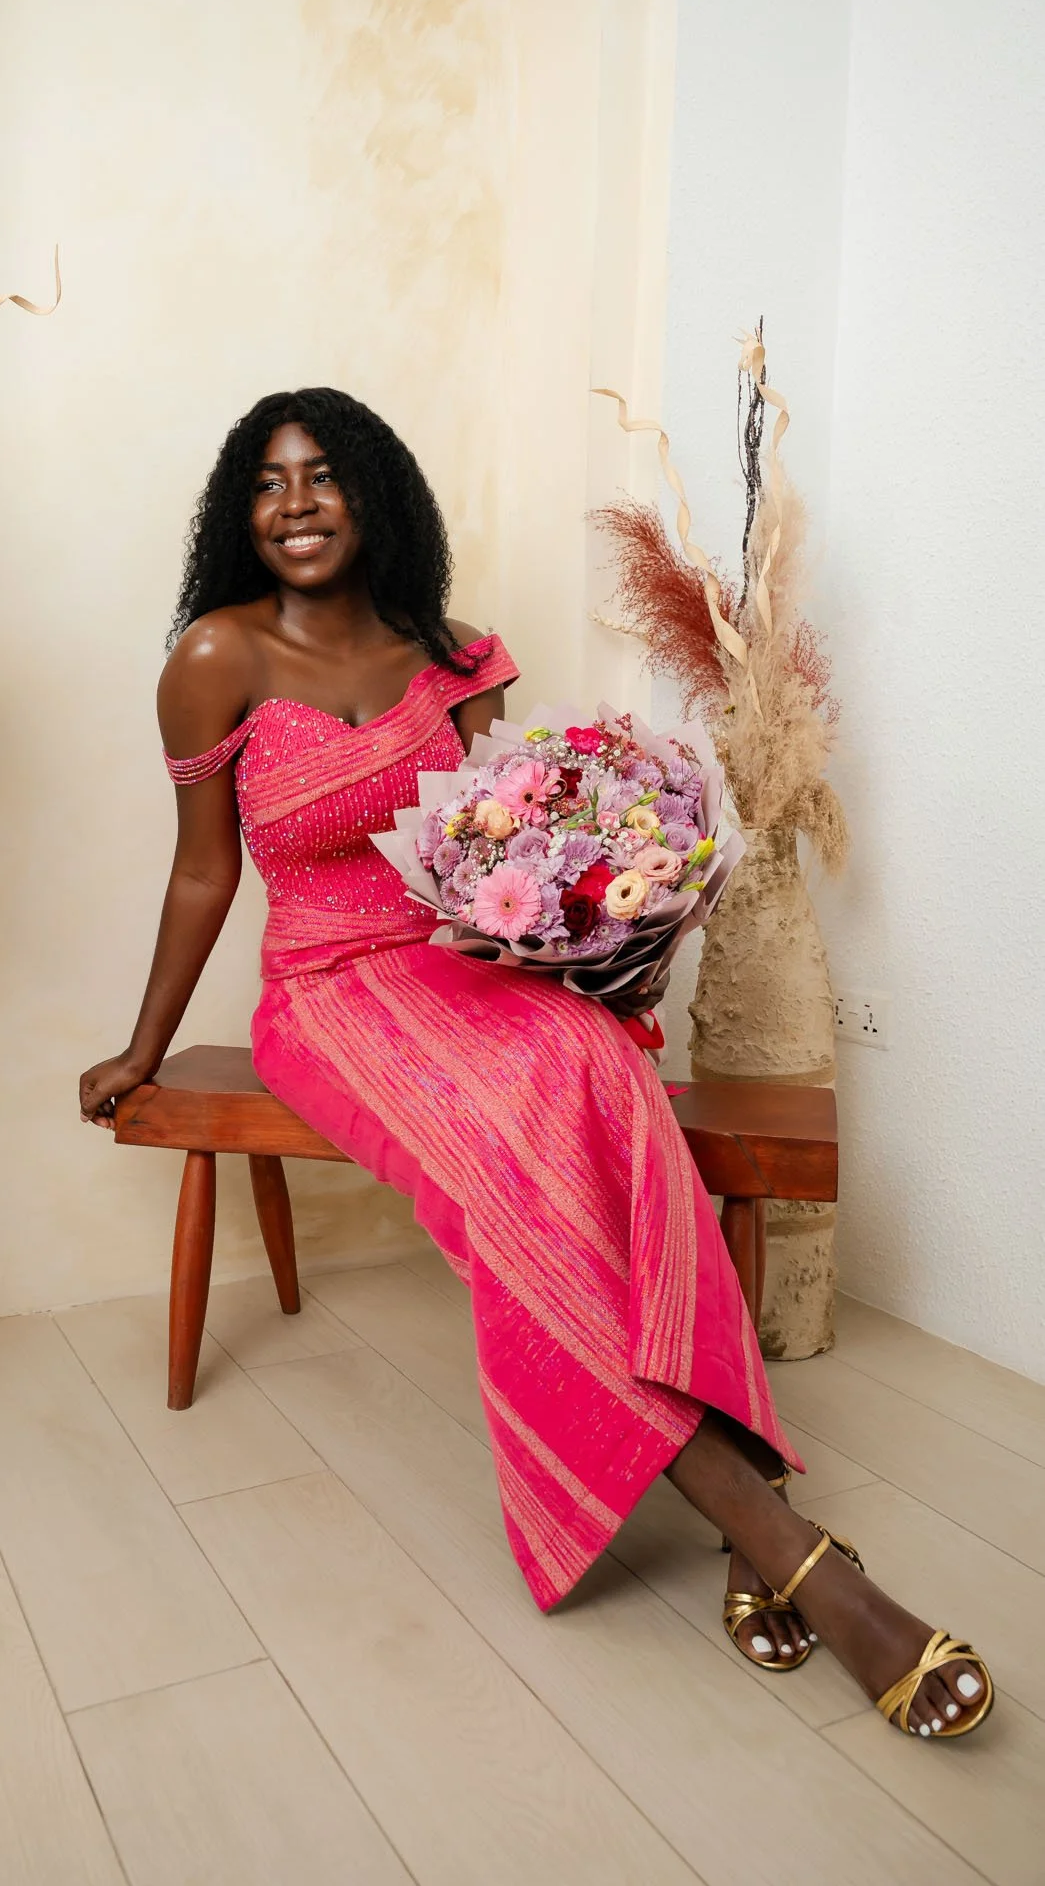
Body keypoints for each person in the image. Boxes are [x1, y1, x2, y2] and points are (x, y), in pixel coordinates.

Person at [81, 387, 991, 1741]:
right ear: (240, 512)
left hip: (470, 965)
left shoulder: (455, 655)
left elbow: (508, 847)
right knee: (513, 1165)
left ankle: (747, 1510)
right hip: (329, 991)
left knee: (606, 1076)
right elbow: (204, 869)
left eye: (324, 476)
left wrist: (602, 935)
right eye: (268, 483)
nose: (295, 504)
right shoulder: (214, 657)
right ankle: (788, 1547)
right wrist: (143, 1049)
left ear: (375, 492)